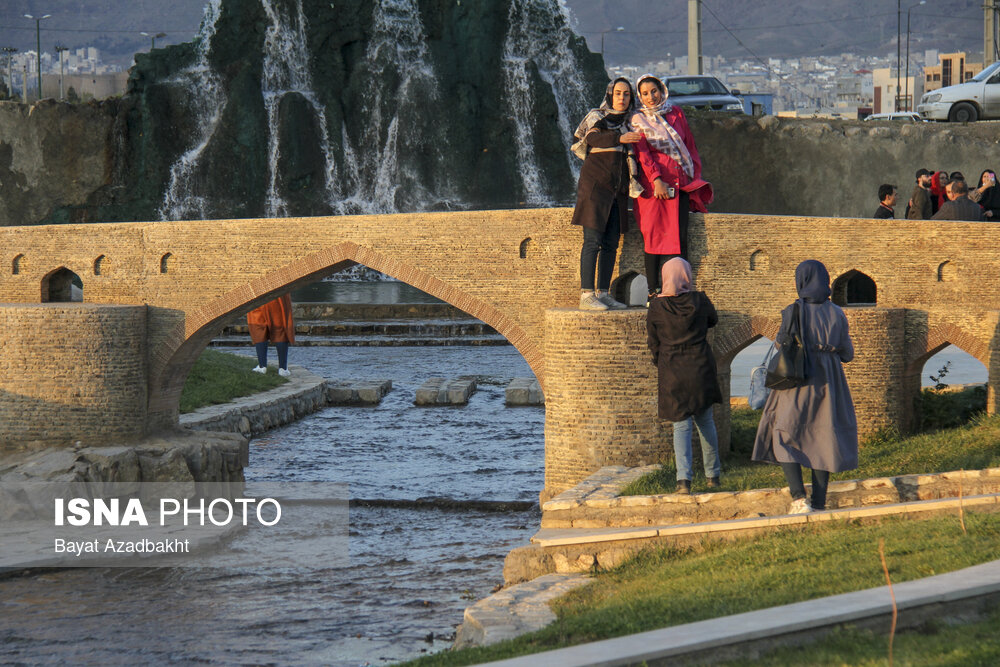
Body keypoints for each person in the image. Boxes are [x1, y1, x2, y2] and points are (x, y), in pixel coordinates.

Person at [752, 260, 858, 514]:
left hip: (798, 380)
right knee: (823, 438)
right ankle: (820, 502)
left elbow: (780, 345)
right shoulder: (837, 313)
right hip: (829, 383)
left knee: (784, 434)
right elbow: (848, 354)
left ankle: (800, 500)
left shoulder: (794, 311)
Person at [630, 74, 713, 302]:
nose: (650, 97)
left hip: (680, 183)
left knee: (679, 237)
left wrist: (694, 176)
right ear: (640, 96)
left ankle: (679, 288)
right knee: (653, 237)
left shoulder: (675, 113)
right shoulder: (637, 120)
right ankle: (653, 290)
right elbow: (643, 154)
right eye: (645, 93)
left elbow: (689, 146)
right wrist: (656, 179)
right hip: (653, 188)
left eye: (654, 91)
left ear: (661, 90)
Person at [646, 258, 722, 494]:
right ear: (687, 276)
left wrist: (660, 360)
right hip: (700, 366)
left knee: (681, 427)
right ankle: (713, 476)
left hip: (673, 370)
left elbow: (653, 341)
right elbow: (713, 320)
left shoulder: (657, 307)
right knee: (705, 422)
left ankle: (683, 481)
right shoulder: (699, 300)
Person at [570, 78, 642, 310]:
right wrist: (618, 138)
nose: (622, 98)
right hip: (594, 188)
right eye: (618, 93)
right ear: (610, 94)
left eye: (627, 94)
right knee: (592, 242)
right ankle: (586, 295)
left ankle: (603, 292)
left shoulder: (632, 122)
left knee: (611, 243)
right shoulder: (597, 117)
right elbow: (591, 139)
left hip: (618, 190)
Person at [247, 294, 295, 377]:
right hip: (276, 295)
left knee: (258, 328)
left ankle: (262, 366)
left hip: (256, 295)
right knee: (280, 329)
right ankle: (283, 369)